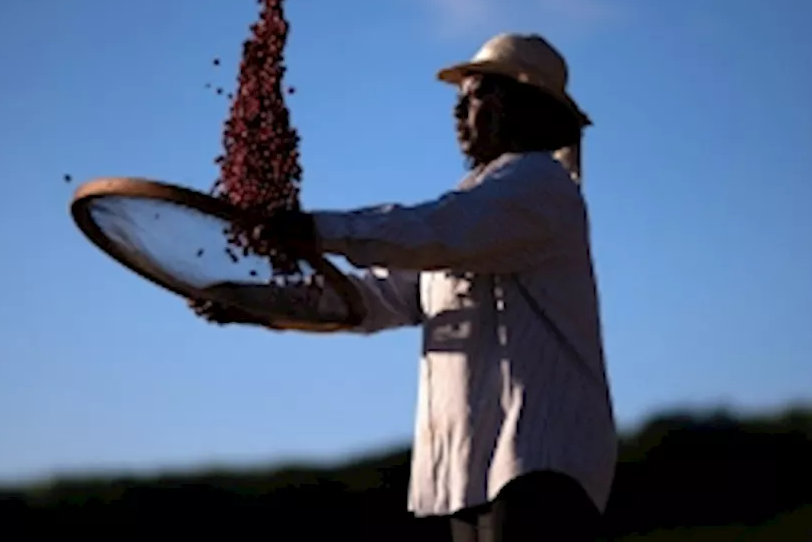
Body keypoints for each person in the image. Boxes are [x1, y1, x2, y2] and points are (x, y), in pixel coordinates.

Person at [192, 33, 617, 542]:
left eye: (478, 94)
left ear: (525, 106)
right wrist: (252, 301)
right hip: (470, 476)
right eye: (457, 100)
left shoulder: (538, 187)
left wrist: (314, 229)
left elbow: (432, 231)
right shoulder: (472, 209)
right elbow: (373, 299)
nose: (459, 111)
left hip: (540, 465)